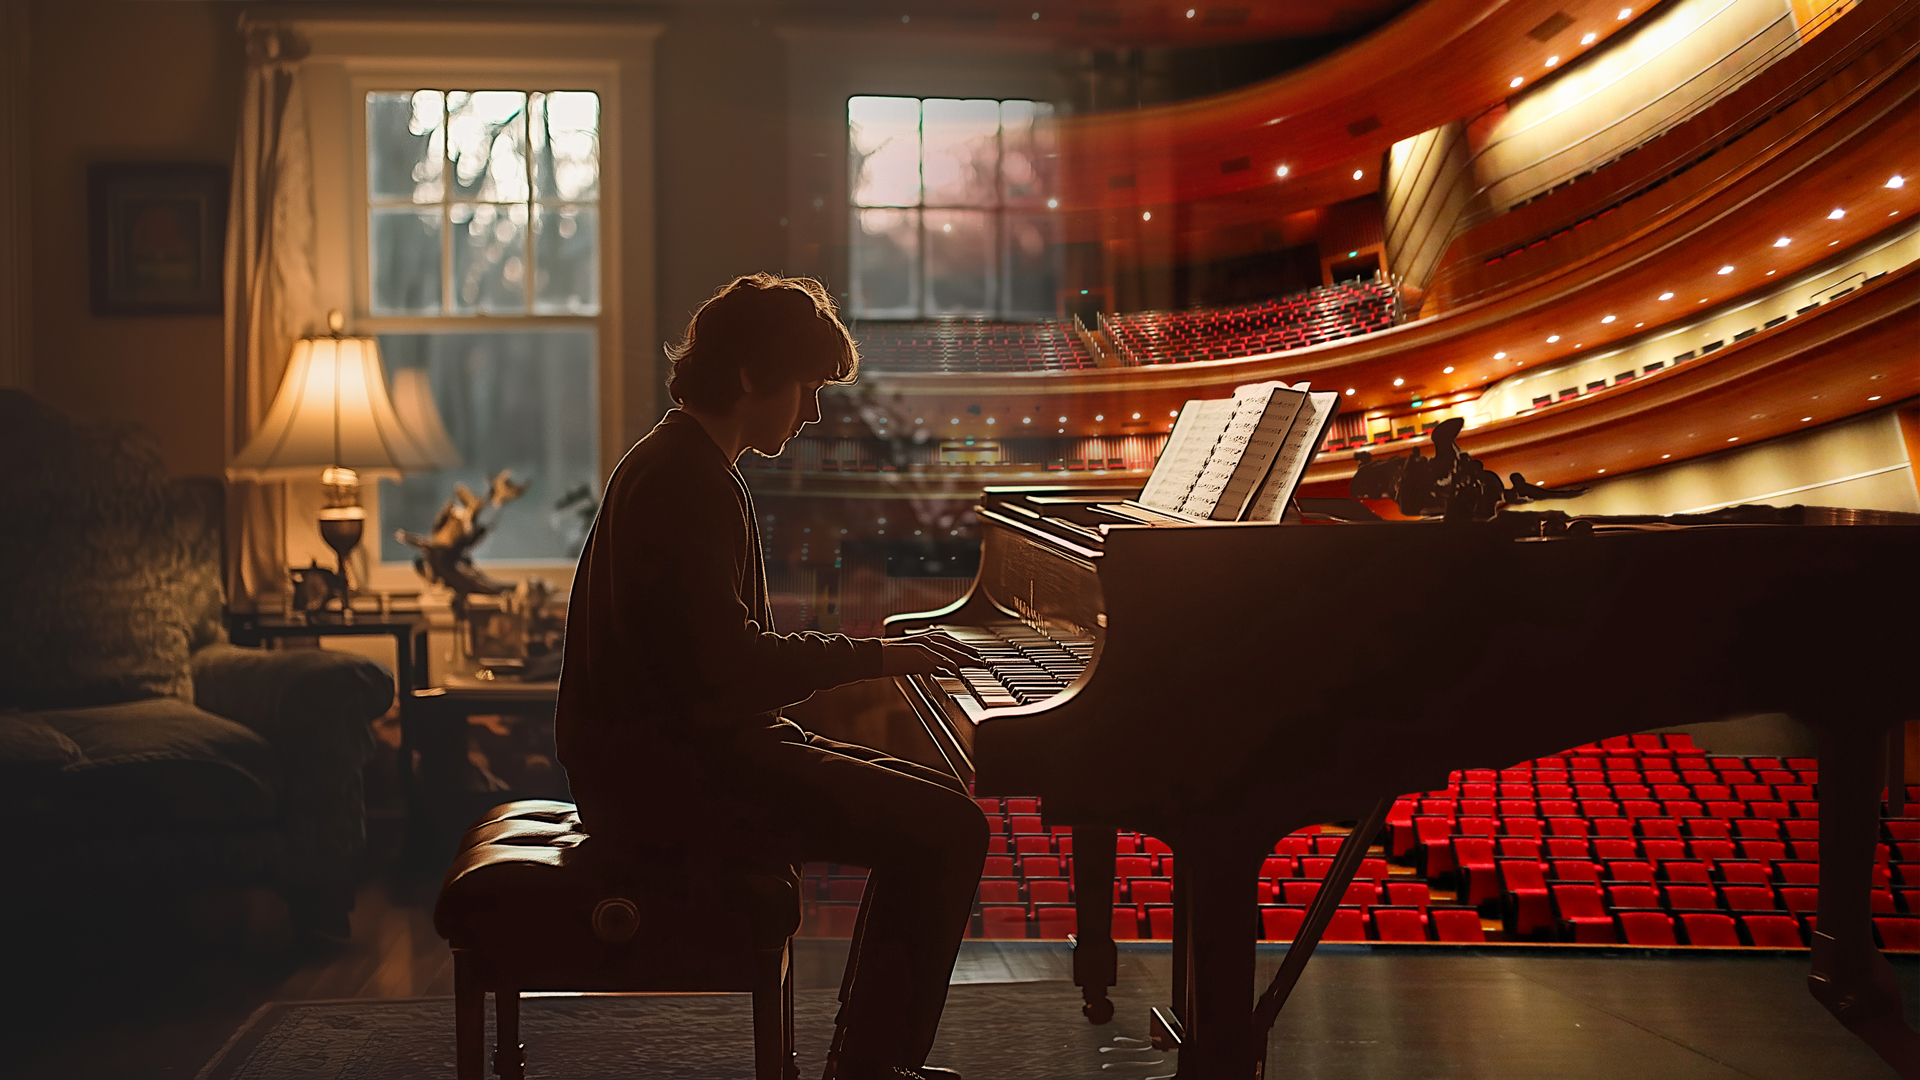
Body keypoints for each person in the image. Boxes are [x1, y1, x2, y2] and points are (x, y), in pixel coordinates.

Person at [555, 273, 989, 1080]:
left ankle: (868, 1058)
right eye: (806, 386)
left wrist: (866, 660)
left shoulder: (686, 464)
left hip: (676, 758)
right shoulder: (686, 480)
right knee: (949, 830)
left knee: (941, 811)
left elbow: (714, 664)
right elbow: (731, 666)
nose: (815, 411)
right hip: (669, 780)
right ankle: (869, 1065)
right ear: (752, 375)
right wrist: (877, 657)